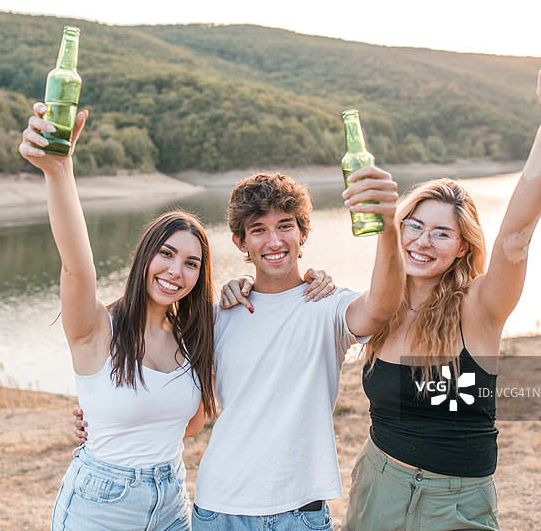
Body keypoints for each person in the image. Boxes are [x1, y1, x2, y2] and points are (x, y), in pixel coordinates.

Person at [20, 103, 336, 531]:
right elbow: (77, 267)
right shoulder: (96, 329)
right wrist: (59, 171)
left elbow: (189, 427)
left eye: (191, 263)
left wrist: (295, 284)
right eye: (166, 254)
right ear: (144, 256)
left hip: (171, 500)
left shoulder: (194, 336)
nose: (175, 271)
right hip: (102, 501)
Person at [341, 51, 541, 531]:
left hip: (455, 502)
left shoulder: (480, 308)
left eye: (442, 233)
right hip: (377, 488)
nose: (422, 242)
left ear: (463, 247)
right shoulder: (379, 307)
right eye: (414, 225)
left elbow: (516, 234)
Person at [80, 170, 405, 528]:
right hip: (217, 510)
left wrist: (387, 227)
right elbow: (182, 414)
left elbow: (379, 309)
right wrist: (101, 419)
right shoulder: (217, 316)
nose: (274, 241)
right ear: (240, 242)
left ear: (303, 233)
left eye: (285, 226)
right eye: (258, 230)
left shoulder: (327, 305)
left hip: (299, 512)